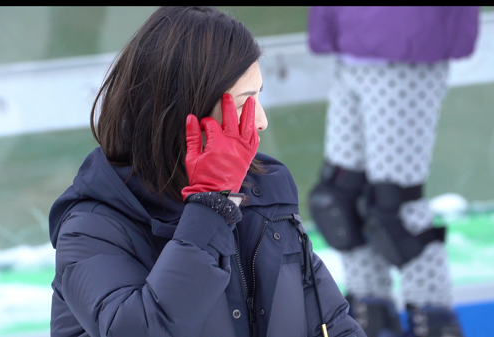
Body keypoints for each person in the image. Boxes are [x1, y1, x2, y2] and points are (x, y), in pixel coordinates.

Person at [48, 6, 365, 337]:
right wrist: (211, 207)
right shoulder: (92, 227)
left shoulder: (264, 192)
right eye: (243, 104)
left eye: (260, 98)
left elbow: (332, 324)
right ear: (185, 110)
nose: (261, 121)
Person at [306, 6, 480, 337]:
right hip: (350, 44)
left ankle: (433, 316)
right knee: (339, 199)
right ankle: (367, 316)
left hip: (406, 45)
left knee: (395, 206)